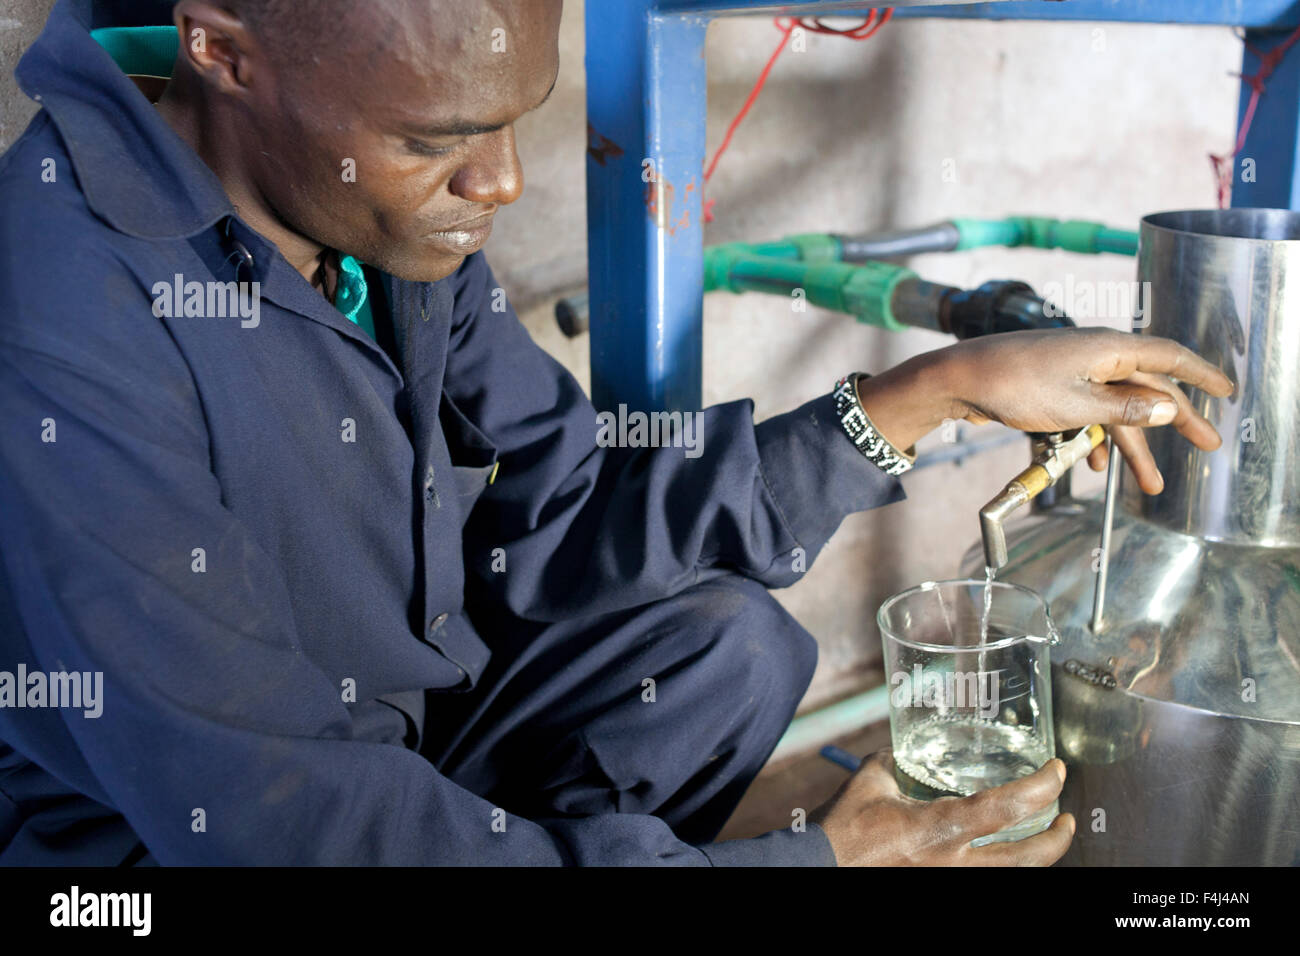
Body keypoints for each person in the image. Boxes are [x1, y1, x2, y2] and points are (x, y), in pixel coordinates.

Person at [0, 0, 1233, 866]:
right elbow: (273, 817)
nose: (502, 184)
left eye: (513, 120)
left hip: (403, 740)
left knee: (724, 647)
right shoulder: (60, 319)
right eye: (436, 141)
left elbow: (567, 505)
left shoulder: (368, 212)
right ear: (223, 52)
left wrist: (938, 390)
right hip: (181, 841)